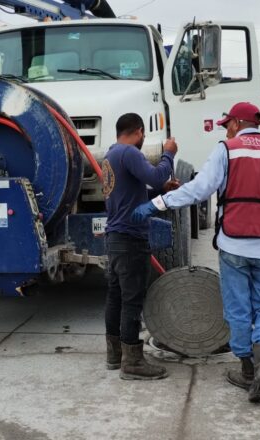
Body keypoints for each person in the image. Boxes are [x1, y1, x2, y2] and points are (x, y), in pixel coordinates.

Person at [131, 102, 260, 402]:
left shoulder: (227, 150)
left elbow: (198, 189)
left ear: (239, 123)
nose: (226, 128)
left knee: (238, 309)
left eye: (228, 123)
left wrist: (157, 204)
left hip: (235, 244)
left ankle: (247, 370)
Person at [102, 112, 179, 380]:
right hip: (130, 238)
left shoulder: (111, 155)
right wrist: (168, 154)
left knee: (115, 297)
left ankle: (115, 355)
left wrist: (161, 191)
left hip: (115, 238)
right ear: (138, 131)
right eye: (143, 135)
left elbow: (133, 195)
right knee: (132, 300)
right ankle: (133, 363)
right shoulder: (130, 152)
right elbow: (157, 175)